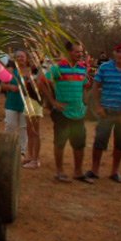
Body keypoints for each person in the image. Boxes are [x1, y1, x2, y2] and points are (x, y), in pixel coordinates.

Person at [85, 42, 121, 184]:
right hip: (106, 111)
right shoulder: (104, 68)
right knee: (99, 141)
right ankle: (95, 170)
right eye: (118, 51)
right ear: (114, 53)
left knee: (120, 144)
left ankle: (115, 171)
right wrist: (98, 107)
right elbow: (96, 87)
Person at [39, 41, 91, 183]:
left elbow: (85, 85)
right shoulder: (58, 68)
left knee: (79, 144)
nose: (79, 54)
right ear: (69, 52)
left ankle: (78, 172)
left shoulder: (82, 68)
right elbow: (42, 81)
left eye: (81, 52)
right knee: (60, 143)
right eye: (76, 52)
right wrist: (53, 102)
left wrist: (84, 103)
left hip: (78, 112)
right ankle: (59, 171)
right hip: (62, 112)